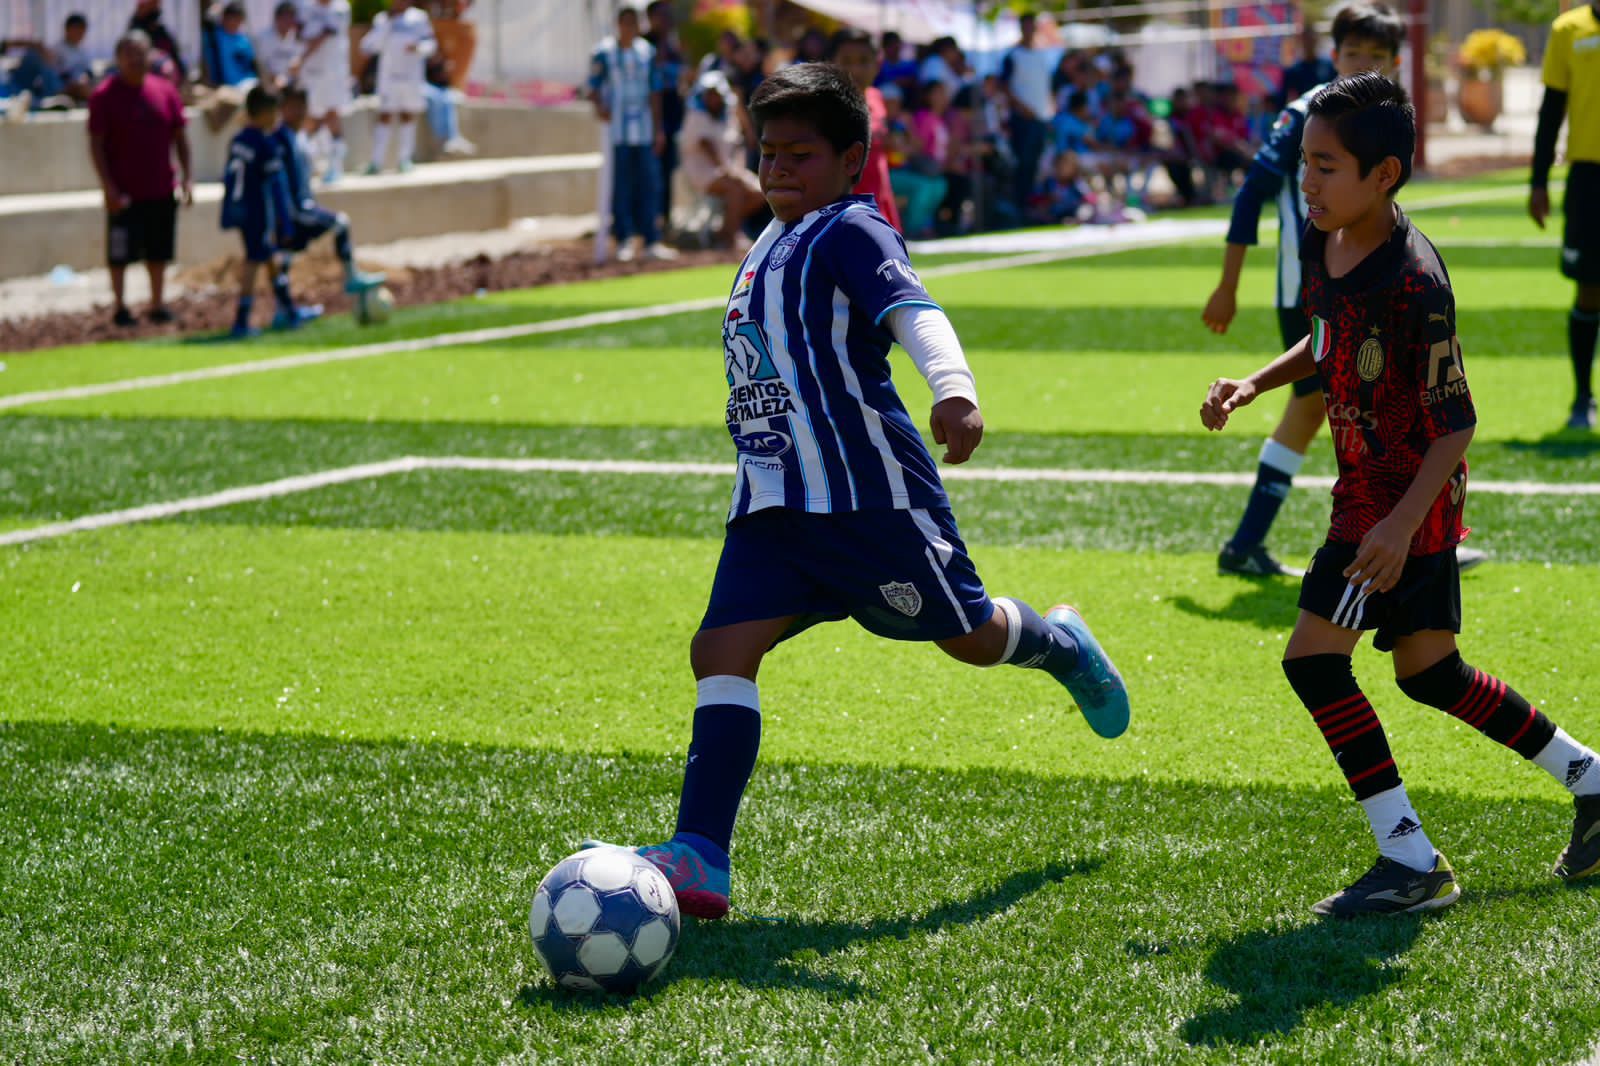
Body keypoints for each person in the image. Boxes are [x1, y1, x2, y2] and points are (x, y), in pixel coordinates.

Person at [583, 62, 1131, 920]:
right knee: (720, 651)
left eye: (799, 155)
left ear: (850, 161)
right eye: (768, 154)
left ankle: (1060, 647)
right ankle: (701, 856)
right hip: (773, 504)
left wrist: (953, 388)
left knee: (972, 637)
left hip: (867, 497)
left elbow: (914, 311)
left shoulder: (851, 227)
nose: (778, 171)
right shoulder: (766, 240)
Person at [1200, 72, 1600, 916]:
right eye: (1305, 163)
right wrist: (1254, 382)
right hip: (1375, 496)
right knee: (1431, 673)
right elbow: (1320, 337)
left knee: (1313, 662)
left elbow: (1457, 423)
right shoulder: (1325, 235)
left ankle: (1410, 862)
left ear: (1384, 175)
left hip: (1396, 504)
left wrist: (1400, 527)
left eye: (1327, 166)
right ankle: (1592, 781)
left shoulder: (1415, 281)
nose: (1307, 181)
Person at [1201, 3, 1406, 578]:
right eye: (1353, 52)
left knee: (1318, 407)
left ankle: (1246, 544)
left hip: (1360, 285)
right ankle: (1404, 538)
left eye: (1377, 56)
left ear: (1393, 62)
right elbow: (1250, 195)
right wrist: (1227, 286)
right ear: (1333, 55)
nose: (1363, 63)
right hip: (1312, 291)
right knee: (1370, 401)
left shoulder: (1386, 115)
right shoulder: (1304, 115)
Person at [88, 31, 193, 328]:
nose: (135, 59)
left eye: (140, 52)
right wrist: (108, 186)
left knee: (159, 250)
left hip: (160, 186)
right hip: (124, 192)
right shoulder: (105, 96)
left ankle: (157, 304)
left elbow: (180, 137)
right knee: (120, 252)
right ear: (118, 58)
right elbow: (96, 143)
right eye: (129, 53)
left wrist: (187, 178)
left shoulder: (165, 91)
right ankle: (121, 306)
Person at [1530, 0, 1600, 430]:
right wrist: (1538, 180)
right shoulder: (1568, 30)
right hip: (1589, 179)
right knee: (1590, 289)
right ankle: (1582, 398)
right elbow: (1551, 109)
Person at [275, 84, 386, 306]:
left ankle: (284, 310)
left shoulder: (299, 137)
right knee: (340, 223)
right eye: (293, 107)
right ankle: (351, 277)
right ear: (283, 108)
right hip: (296, 209)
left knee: (286, 257)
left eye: (302, 107)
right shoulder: (281, 140)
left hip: (301, 206)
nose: (299, 112)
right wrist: (284, 215)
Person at [588, 5, 675, 263]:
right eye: (624, 24)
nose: (628, 29)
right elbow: (592, 86)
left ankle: (651, 239)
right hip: (617, 132)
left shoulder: (646, 53)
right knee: (622, 186)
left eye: (633, 24)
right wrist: (600, 107)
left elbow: (655, 91)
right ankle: (624, 237)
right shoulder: (603, 53)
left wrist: (659, 129)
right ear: (618, 25)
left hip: (644, 129)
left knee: (649, 184)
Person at [221, 86, 304, 337]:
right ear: (265, 112)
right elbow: (276, 187)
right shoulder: (265, 144)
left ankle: (289, 310)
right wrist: (286, 223)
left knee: (268, 258)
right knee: (254, 260)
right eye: (275, 111)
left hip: (239, 209)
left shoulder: (238, 139)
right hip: (259, 211)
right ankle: (241, 321)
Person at [677, 70, 764, 248]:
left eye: (716, 94)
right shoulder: (696, 115)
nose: (713, 98)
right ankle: (730, 238)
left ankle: (724, 230)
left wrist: (734, 169)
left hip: (728, 170)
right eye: (709, 94)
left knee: (760, 192)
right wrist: (726, 169)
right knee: (735, 189)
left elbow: (735, 145)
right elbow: (706, 145)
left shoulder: (728, 115)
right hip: (702, 172)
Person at [829, 28, 901, 232]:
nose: (856, 69)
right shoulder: (826, 108)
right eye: (847, 61)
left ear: (877, 64)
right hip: (845, 211)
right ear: (832, 63)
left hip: (880, 202)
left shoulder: (877, 98)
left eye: (863, 61)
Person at [362, 0, 435, 174]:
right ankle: (376, 162)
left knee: (408, 115)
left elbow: (431, 44)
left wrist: (418, 48)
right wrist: (387, 24)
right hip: (389, 78)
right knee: (385, 115)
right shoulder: (382, 20)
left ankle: (405, 160)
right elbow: (368, 46)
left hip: (411, 77)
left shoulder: (419, 18)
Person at [293, 0, 353, 183]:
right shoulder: (306, 7)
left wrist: (300, 59)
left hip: (333, 73)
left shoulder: (341, 8)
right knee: (311, 117)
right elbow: (299, 32)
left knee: (331, 114)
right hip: (312, 74)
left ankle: (335, 166)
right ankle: (310, 164)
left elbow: (322, 36)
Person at [1000, 11, 1056, 210]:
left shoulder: (1043, 55)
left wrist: (1049, 110)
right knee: (1023, 163)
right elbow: (1005, 86)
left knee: (1036, 164)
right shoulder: (1013, 56)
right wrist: (1021, 108)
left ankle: (1030, 204)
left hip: (1041, 117)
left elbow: (1046, 87)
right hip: (1023, 119)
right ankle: (1019, 205)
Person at [645, 0, 687, 228]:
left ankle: (664, 219)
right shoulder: (643, 45)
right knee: (648, 173)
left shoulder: (672, 46)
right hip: (649, 121)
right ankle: (645, 221)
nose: (665, 20)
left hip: (673, 119)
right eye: (660, 15)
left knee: (667, 172)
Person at [1276, 22, 1338, 111]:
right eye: (1306, 39)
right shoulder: (1293, 70)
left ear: (1317, 40)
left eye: (1311, 39)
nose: (1309, 43)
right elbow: (1282, 99)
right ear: (1300, 42)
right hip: (1305, 114)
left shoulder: (1329, 65)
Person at [130, 0, 187, 84]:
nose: (157, 9)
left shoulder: (160, 29)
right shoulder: (135, 32)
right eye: (153, 6)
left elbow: (173, 52)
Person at [203, 2, 259, 88]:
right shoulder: (213, 35)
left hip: (246, 85)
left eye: (238, 19)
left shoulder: (244, 40)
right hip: (220, 87)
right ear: (224, 18)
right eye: (231, 18)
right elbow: (208, 17)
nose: (234, 22)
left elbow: (252, 66)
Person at [257, 2, 302, 91]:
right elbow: (260, 65)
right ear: (276, 18)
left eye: (291, 18)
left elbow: (298, 62)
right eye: (285, 18)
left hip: (292, 84)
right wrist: (274, 79)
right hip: (268, 85)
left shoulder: (298, 38)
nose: (288, 22)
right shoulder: (264, 37)